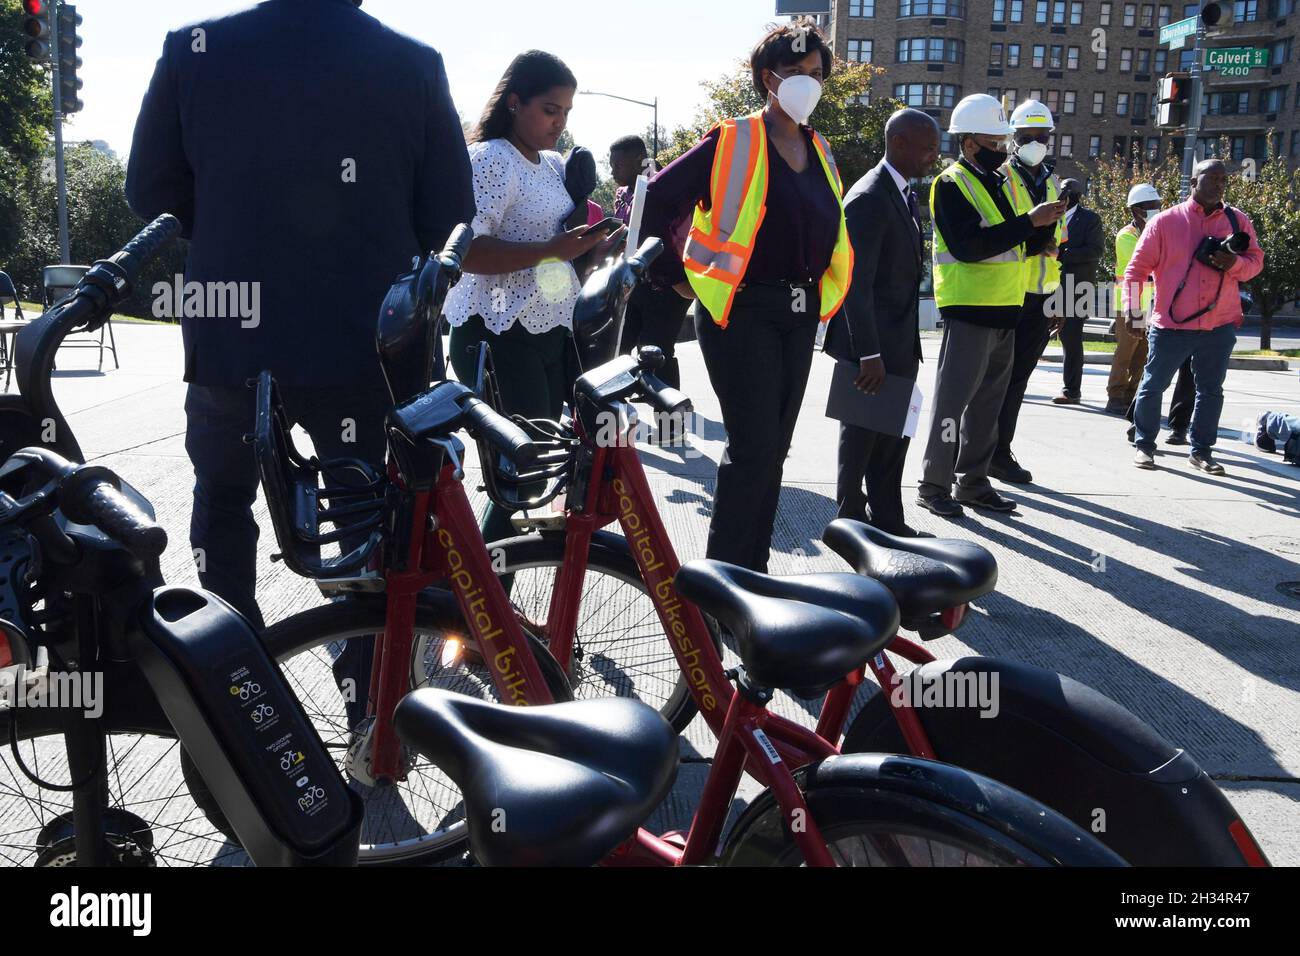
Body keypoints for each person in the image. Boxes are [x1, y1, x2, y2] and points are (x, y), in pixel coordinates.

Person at [125, 0, 474, 630]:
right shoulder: (414, 64)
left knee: (225, 504)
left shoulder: (192, 50)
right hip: (363, 342)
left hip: (231, 337)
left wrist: (237, 228)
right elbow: (449, 214)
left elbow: (151, 192)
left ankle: (237, 683)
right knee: (370, 519)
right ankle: (372, 692)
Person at [639, 19, 852, 571]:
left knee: (772, 452)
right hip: (743, 312)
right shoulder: (733, 137)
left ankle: (751, 576)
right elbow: (657, 199)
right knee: (752, 448)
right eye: (796, 72)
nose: (808, 82)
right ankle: (724, 587)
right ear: (767, 78)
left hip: (799, 316)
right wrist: (675, 274)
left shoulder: (821, 149)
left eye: (816, 73)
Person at [446, 50, 624, 544]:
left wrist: (592, 250)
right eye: (550, 109)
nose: (560, 123)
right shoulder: (490, 160)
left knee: (544, 467)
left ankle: (488, 603)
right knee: (524, 474)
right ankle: (480, 606)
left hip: (548, 331)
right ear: (514, 102)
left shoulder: (550, 164)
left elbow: (555, 255)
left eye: (567, 111)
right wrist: (553, 250)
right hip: (496, 334)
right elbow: (465, 252)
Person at [916, 94, 1065, 518]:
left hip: (1006, 309)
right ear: (968, 144)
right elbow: (968, 247)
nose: (1002, 149)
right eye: (994, 142)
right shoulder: (952, 183)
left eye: (1003, 142)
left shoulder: (996, 182)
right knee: (953, 404)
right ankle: (934, 483)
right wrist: (1029, 223)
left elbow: (1014, 241)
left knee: (987, 406)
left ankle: (974, 482)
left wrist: (1043, 233)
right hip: (970, 309)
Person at [824, 108, 939, 538]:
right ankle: (850, 524)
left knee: (893, 437)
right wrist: (869, 352)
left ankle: (888, 520)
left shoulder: (902, 193)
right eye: (927, 148)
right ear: (899, 143)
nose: (933, 156)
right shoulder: (870, 197)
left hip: (898, 342)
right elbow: (856, 284)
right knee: (861, 438)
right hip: (871, 347)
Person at [1126, 159, 1264, 474]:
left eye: (1223, 179)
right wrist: (1134, 313)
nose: (1218, 184)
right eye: (1211, 177)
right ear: (1193, 181)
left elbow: (1256, 261)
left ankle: (1202, 451)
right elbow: (1136, 271)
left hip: (1220, 324)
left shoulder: (1237, 221)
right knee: (1153, 385)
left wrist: (1234, 265)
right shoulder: (1164, 222)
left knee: (1211, 390)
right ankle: (1145, 445)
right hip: (1172, 324)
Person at [987, 100, 1065, 485]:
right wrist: (1038, 242)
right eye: (1028, 136)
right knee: (988, 380)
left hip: (1038, 296)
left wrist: (1057, 298)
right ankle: (970, 452)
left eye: (1042, 136)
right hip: (1005, 294)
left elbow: (1058, 243)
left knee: (1017, 380)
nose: (1036, 142)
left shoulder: (1050, 181)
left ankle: (1000, 452)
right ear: (1013, 138)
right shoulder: (1001, 178)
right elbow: (1003, 235)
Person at [610, 135, 690, 395]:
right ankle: (617, 404)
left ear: (637, 160)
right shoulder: (623, 194)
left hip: (666, 284)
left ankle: (670, 423)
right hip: (635, 281)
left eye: (618, 165)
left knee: (658, 348)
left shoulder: (662, 188)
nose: (612, 172)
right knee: (619, 344)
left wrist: (678, 282)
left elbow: (673, 236)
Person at [1053, 178, 1105, 405]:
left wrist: (1061, 254)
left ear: (1076, 195)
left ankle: (1071, 390)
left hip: (1076, 288)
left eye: (1065, 192)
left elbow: (1095, 251)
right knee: (1032, 335)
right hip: (1047, 284)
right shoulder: (1051, 214)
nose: (1061, 195)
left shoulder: (1090, 219)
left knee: (1071, 339)